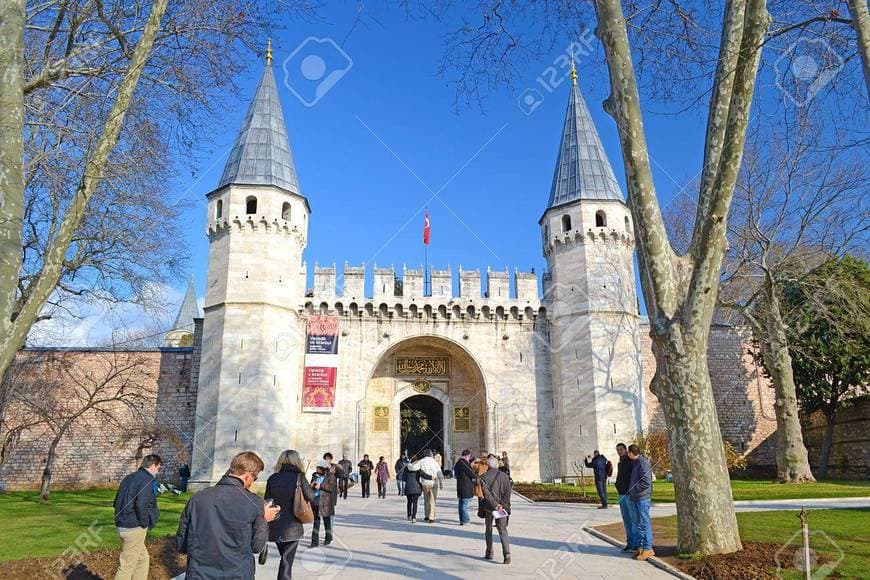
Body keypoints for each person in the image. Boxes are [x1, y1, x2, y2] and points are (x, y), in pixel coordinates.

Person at [177, 451, 280, 579]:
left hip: (200, 573)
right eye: (255, 478)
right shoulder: (254, 502)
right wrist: (264, 519)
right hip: (237, 574)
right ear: (248, 475)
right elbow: (257, 546)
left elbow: (181, 543)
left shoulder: (197, 498)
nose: (252, 482)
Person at [265, 450, 314, 580]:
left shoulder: (272, 478)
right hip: (292, 526)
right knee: (287, 561)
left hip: (275, 525)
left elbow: (267, 500)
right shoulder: (299, 477)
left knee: (285, 558)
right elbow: (311, 497)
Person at [114, 454, 161, 580]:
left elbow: (116, 502)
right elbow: (141, 504)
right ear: (152, 466)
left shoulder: (129, 478)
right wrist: (144, 523)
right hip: (134, 528)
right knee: (126, 567)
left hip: (122, 525)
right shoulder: (147, 480)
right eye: (158, 468)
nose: (158, 471)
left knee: (143, 559)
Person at [480, 454, 512, 564]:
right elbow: (508, 492)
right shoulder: (505, 476)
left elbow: (487, 494)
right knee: (502, 530)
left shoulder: (484, 477)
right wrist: (502, 504)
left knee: (489, 529)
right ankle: (507, 554)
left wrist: (495, 505)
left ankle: (489, 552)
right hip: (501, 508)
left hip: (490, 508)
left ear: (488, 465)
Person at [627, 444, 654, 560]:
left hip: (642, 498)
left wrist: (633, 489)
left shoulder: (643, 463)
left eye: (629, 453)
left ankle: (648, 548)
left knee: (644, 523)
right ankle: (641, 547)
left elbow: (646, 482)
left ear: (631, 453)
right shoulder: (636, 463)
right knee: (637, 524)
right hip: (635, 498)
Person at [409, 449, 443, 522]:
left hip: (425, 483)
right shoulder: (435, 462)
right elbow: (439, 473)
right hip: (434, 483)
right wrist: (441, 483)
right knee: (432, 500)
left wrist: (410, 463)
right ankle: (431, 517)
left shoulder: (421, 461)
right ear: (431, 454)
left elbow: (412, 468)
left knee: (426, 500)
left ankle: (426, 516)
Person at [614, 443, 637, 552]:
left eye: (621, 449)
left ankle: (636, 543)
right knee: (626, 519)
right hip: (621, 494)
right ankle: (630, 542)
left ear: (626, 450)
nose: (620, 452)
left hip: (629, 494)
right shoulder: (620, 463)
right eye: (618, 450)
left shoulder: (630, 462)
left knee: (633, 519)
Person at [310, 460, 338, 546]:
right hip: (315, 501)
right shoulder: (315, 476)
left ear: (323, 469)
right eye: (317, 468)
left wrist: (321, 486)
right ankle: (314, 542)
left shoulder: (331, 477)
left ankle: (328, 537)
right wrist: (311, 485)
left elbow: (332, 488)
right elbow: (311, 485)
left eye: (318, 468)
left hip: (326, 502)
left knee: (327, 521)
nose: (317, 470)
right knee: (316, 522)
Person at [453, 449, 477, 526]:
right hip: (465, 486)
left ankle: (462, 520)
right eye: (469, 456)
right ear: (467, 456)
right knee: (464, 504)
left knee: (461, 504)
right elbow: (472, 473)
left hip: (460, 486)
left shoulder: (458, 463)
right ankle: (465, 520)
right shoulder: (464, 463)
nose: (470, 458)